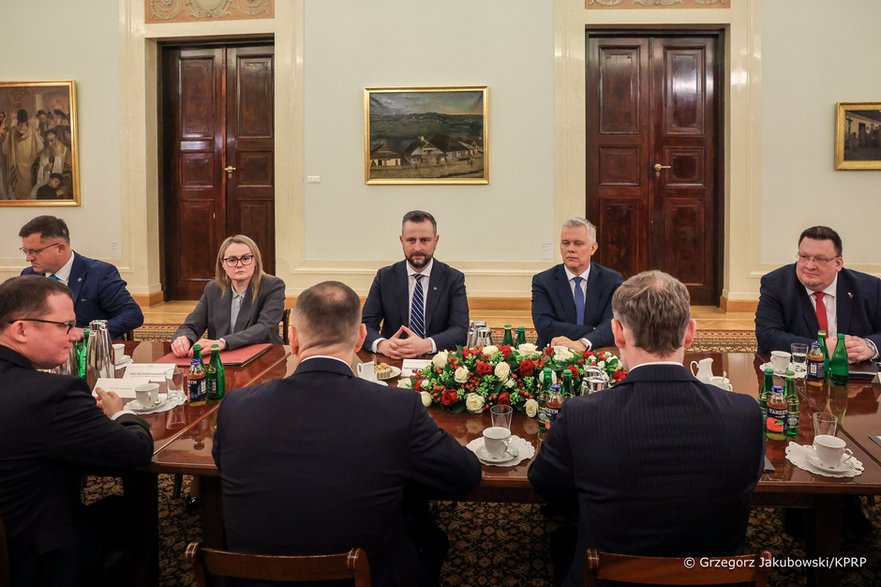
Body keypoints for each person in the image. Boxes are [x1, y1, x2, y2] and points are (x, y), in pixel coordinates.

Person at [213, 281, 481, 587]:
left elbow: (224, 464)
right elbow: (465, 475)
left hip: (251, 579)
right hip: (363, 576)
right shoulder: (397, 409)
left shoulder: (236, 407)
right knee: (429, 538)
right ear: (360, 339)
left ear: (294, 338)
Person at [528, 270, 764, 587]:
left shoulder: (581, 415)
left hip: (608, 579)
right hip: (714, 580)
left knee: (560, 543)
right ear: (690, 333)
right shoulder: (745, 413)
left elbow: (544, 485)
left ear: (618, 333)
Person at [0, 276, 154, 587]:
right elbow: (135, 451)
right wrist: (121, 412)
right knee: (130, 514)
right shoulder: (51, 395)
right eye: (65, 326)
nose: (75, 336)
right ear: (21, 329)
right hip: (36, 557)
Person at [755, 225, 881, 361]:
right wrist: (819, 348)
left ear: (838, 263)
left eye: (820, 259)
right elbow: (767, 336)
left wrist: (870, 346)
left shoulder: (870, 288)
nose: (809, 266)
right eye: (804, 256)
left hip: (855, 372)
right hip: (798, 372)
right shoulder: (776, 284)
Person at [362, 210, 469, 358]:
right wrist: (382, 345)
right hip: (392, 360)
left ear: (436, 241)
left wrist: (426, 345)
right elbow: (365, 325)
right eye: (411, 240)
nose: (418, 248)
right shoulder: (385, 277)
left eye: (425, 240)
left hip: (437, 362)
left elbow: (460, 330)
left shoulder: (452, 278)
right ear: (402, 240)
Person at [19, 215, 144, 339]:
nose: (28, 258)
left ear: (60, 248)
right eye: (26, 251)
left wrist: (87, 333)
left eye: (35, 251)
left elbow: (132, 315)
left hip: (88, 351)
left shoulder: (100, 273)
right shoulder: (29, 276)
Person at [171, 235, 285, 357]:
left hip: (261, 357)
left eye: (246, 258)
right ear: (223, 264)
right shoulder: (213, 288)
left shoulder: (273, 286)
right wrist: (183, 338)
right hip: (222, 358)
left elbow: (265, 328)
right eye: (232, 260)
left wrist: (223, 342)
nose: (239, 265)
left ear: (255, 260)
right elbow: (192, 325)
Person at [531, 217, 623, 350]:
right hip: (554, 352)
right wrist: (594, 330)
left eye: (578, 243)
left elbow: (613, 325)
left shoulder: (611, 280)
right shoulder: (543, 281)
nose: (570, 249)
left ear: (593, 248)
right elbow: (545, 327)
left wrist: (584, 343)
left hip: (597, 350)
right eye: (565, 243)